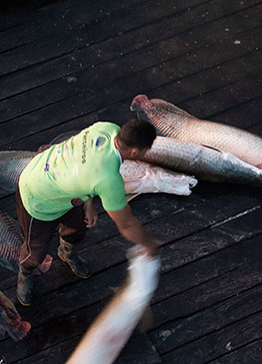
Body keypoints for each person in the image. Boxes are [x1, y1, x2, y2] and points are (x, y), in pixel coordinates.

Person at [15, 119, 160, 306]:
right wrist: (150, 245)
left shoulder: (107, 128)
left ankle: (66, 253)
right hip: (37, 195)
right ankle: (25, 273)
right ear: (134, 152)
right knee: (35, 253)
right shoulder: (109, 180)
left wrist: (88, 203)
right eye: (145, 150)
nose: (146, 153)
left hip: (64, 186)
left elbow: (85, 162)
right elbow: (126, 225)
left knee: (78, 228)